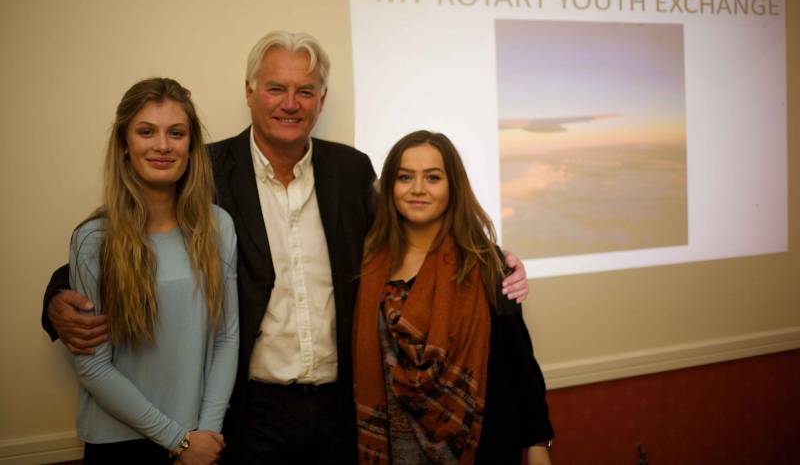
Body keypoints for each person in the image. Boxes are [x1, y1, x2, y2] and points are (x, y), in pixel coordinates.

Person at [42, 31, 531, 464]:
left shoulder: (350, 170)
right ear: (250, 92)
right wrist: (59, 297)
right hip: (250, 413)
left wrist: (493, 258)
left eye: (306, 91)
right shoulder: (206, 169)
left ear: (322, 98)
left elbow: (413, 221)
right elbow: (129, 238)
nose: (290, 103)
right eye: (276, 88)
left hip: (343, 408)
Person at [353, 130, 553, 465]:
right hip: (390, 450)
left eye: (433, 177)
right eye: (405, 177)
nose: (418, 189)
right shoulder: (367, 263)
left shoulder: (487, 264)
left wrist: (538, 444)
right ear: (389, 186)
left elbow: (519, 361)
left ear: (452, 187)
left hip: (476, 447)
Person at [66, 77, 239, 464]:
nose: (163, 145)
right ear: (125, 144)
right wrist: (177, 440)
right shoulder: (93, 239)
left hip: (201, 441)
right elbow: (92, 365)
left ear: (191, 147)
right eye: (146, 131)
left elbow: (226, 338)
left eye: (176, 133)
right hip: (120, 443)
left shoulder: (218, 227)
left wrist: (205, 434)